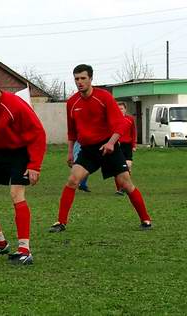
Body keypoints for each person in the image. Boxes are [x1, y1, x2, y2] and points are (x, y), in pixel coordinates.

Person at [49, 64, 152, 233]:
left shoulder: (103, 97)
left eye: (83, 78)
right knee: (73, 180)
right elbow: (72, 131)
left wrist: (111, 142)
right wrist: (69, 152)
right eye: (76, 79)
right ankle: (60, 222)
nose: (79, 82)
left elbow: (121, 123)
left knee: (125, 183)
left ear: (91, 79)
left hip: (108, 147)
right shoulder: (72, 103)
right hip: (88, 150)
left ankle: (145, 219)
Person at [0, 70, 46, 265]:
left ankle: (24, 250)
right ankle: (0, 243)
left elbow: (38, 133)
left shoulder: (15, 106)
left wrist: (34, 166)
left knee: (16, 194)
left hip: (20, 153)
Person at [115, 102, 137, 195]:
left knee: (128, 166)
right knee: (118, 168)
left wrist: (134, 145)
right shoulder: (114, 120)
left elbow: (134, 132)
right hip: (117, 145)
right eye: (118, 109)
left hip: (127, 145)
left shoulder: (130, 119)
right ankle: (119, 188)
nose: (120, 110)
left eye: (122, 109)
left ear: (125, 109)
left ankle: (126, 186)